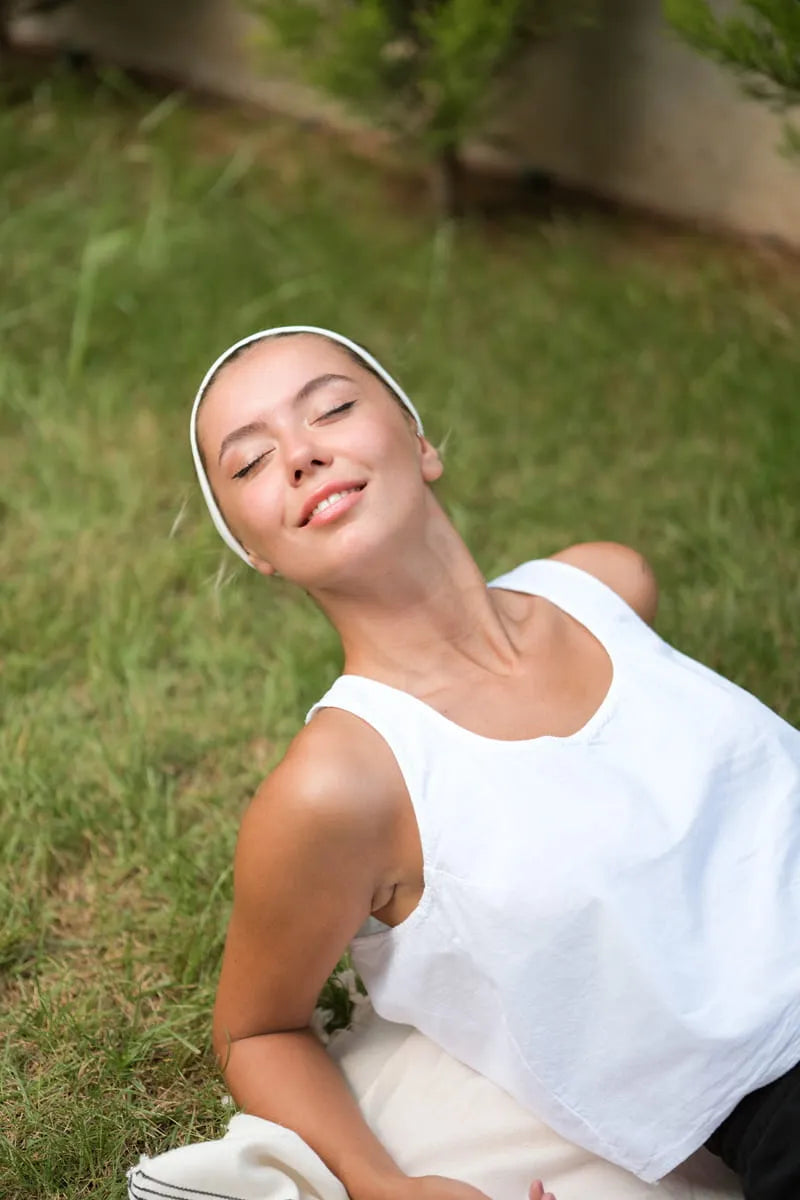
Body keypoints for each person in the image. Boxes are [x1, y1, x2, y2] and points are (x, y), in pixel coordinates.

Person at [190, 326, 800, 1200]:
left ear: (420, 441)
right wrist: (382, 1185)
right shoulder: (342, 787)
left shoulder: (603, 585)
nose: (301, 455)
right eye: (250, 464)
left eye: (331, 408)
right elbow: (256, 1032)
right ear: (256, 552)